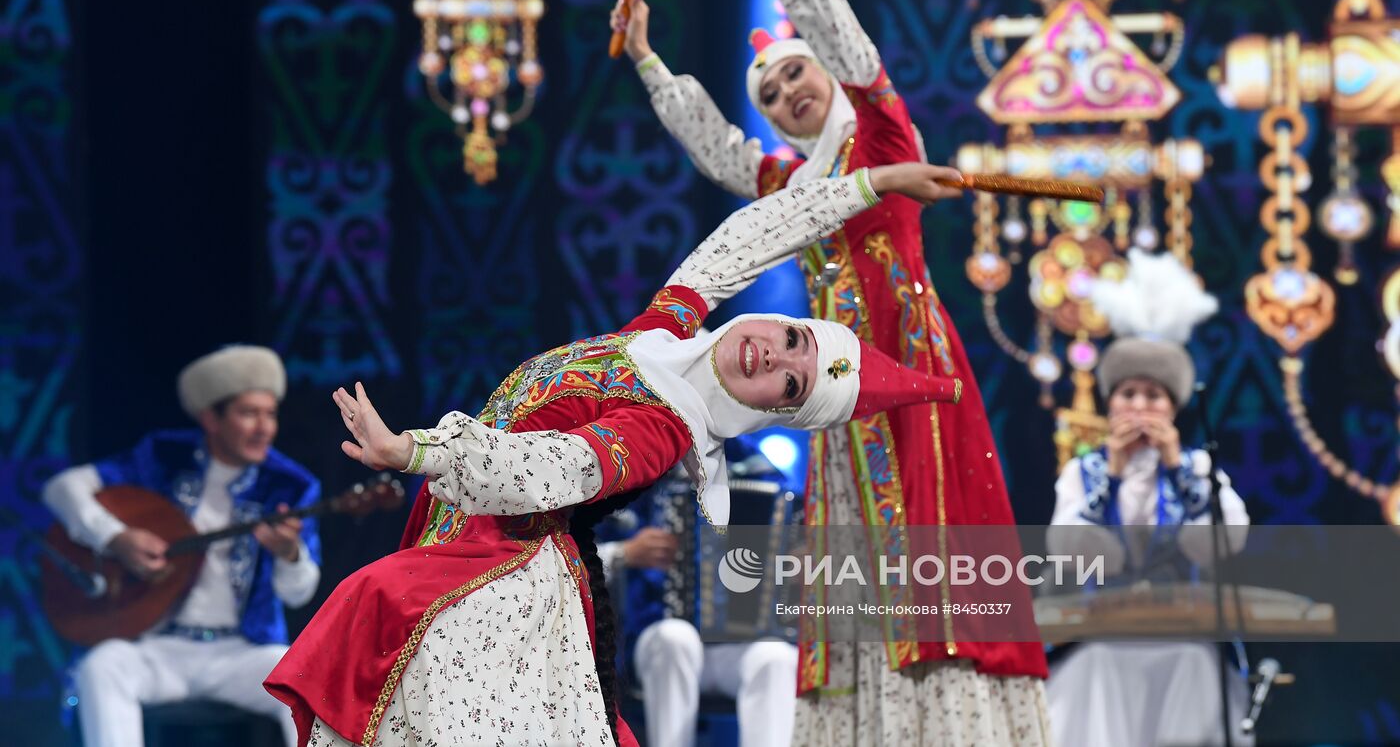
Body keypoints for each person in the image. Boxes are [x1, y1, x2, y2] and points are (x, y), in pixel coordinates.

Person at [264, 163, 969, 747]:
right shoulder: (663, 332)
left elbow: (552, 466)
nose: (770, 354)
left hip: (508, 570)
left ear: (774, 409)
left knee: (390, 622)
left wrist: (413, 449)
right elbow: (752, 235)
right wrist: (876, 182)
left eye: (790, 380)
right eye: (792, 336)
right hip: (458, 530)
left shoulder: (662, 428)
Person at [613, 0, 1049, 745]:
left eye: (795, 72)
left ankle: (955, 725)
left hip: (912, 364)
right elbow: (718, 149)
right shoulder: (792, 182)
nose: (785, 94)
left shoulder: (882, 139)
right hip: (832, 388)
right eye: (770, 93)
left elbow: (846, 39)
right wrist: (646, 59)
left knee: (935, 542)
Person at [42, 345, 321, 747]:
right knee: (101, 668)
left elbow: (299, 593)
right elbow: (61, 488)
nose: (264, 428)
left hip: (242, 652)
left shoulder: (291, 485)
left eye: (270, 414)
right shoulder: (162, 456)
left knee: (309, 676)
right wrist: (114, 538)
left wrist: (289, 554)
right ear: (211, 418)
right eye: (248, 413)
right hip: (159, 645)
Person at [1046, 249, 1252, 747]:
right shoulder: (1084, 470)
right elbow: (1070, 555)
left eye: (1154, 395)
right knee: (1093, 671)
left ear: (1175, 407)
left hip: (1183, 635)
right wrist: (1112, 477)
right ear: (1111, 401)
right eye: (1129, 393)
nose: (1140, 406)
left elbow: (1221, 543)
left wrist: (1177, 466)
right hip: (1097, 638)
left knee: (1193, 665)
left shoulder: (1199, 467)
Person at [596, 452, 798, 747]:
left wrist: (798, 560)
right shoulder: (641, 468)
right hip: (656, 638)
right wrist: (625, 552)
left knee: (778, 657)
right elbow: (572, 556)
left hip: (738, 648)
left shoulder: (758, 468)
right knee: (675, 638)